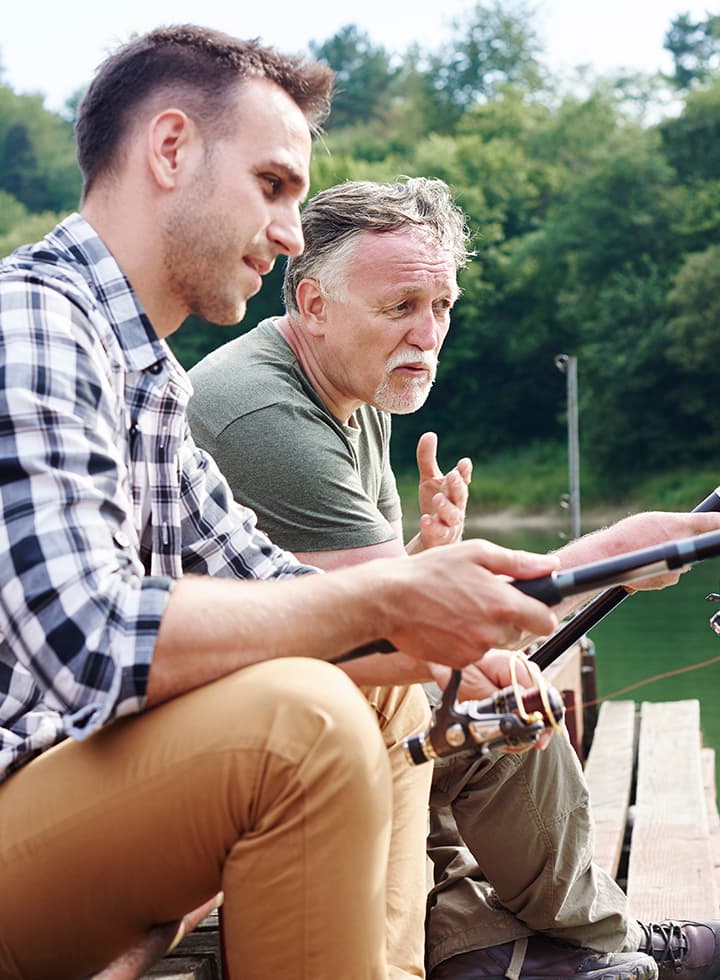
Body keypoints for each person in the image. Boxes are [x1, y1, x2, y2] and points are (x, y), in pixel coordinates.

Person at [0, 28, 575, 980]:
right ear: (171, 149)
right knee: (302, 716)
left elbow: (266, 580)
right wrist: (392, 603)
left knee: (375, 692)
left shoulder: (147, 378)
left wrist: (493, 629)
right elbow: (88, 636)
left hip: (70, 794)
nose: (290, 233)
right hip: (22, 794)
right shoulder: (31, 324)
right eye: (273, 186)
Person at [187, 176, 720, 980]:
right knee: (503, 713)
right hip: (225, 746)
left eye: (442, 306)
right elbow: (398, 631)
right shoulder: (266, 414)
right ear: (313, 303)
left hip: (296, 700)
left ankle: (494, 952)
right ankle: (610, 940)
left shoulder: (352, 390)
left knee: (463, 697)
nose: (427, 334)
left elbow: (362, 602)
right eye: (400, 307)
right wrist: (613, 551)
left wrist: (425, 555)